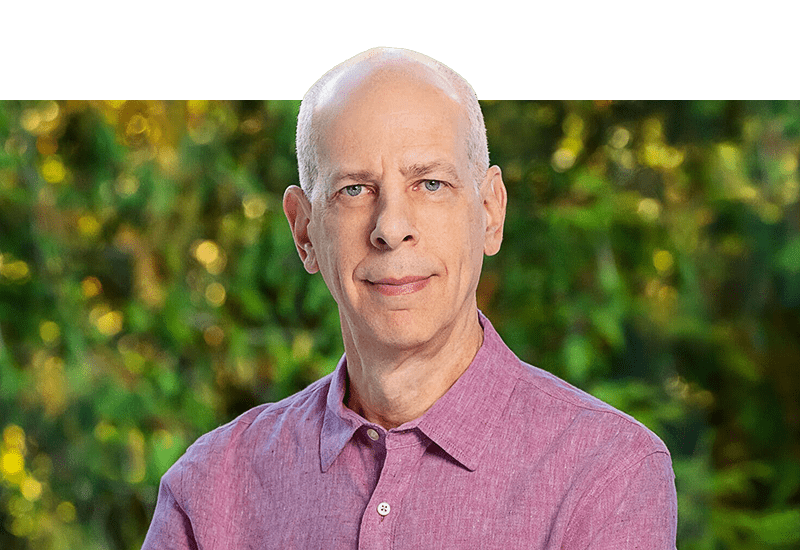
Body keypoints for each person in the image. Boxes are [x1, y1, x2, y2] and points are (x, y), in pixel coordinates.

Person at [142, 48, 677, 549]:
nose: (391, 227)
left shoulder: (608, 475)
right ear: (304, 232)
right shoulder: (211, 490)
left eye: (430, 184)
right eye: (354, 189)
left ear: (490, 213)